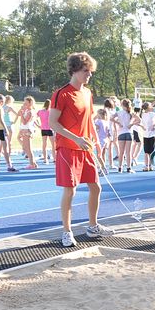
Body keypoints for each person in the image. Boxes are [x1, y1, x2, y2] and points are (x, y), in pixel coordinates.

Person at [49, 51, 115, 248]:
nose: (89, 74)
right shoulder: (62, 94)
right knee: (70, 191)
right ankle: (67, 231)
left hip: (85, 148)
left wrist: (98, 150)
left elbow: (90, 123)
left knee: (96, 187)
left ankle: (93, 226)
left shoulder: (87, 93)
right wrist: (75, 139)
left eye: (91, 71)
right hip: (68, 148)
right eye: (86, 71)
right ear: (75, 70)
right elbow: (53, 123)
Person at [112, 98, 139, 172]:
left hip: (121, 133)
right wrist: (132, 124)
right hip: (129, 133)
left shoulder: (119, 112)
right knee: (128, 152)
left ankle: (120, 167)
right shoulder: (131, 113)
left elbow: (111, 118)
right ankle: (128, 167)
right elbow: (139, 120)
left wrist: (118, 123)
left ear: (122, 105)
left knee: (121, 152)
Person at [17, 96, 38, 169]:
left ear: (30, 103)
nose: (24, 104)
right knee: (25, 148)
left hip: (27, 130)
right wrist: (21, 112)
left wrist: (22, 114)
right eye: (24, 102)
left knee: (28, 149)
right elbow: (19, 116)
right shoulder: (26, 111)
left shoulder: (30, 112)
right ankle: (33, 163)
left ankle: (32, 164)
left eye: (26, 103)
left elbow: (25, 122)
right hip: (24, 130)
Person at [139, 101, 155, 171]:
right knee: (150, 152)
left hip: (145, 134)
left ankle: (146, 166)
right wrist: (153, 125)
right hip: (152, 134)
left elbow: (142, 124)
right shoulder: (152, 114)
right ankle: (150, 166)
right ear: (149, 107)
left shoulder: (142, 114)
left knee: (146, 152)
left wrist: (143, 127)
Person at [36, 99, 55, 164]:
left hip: (43, 129)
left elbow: (34, 118)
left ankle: (45, 159)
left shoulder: (40, 111)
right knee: (53, 145)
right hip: (50, 129)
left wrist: (38, 125)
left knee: (44, 144)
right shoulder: (50, 112)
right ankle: (54, 159)